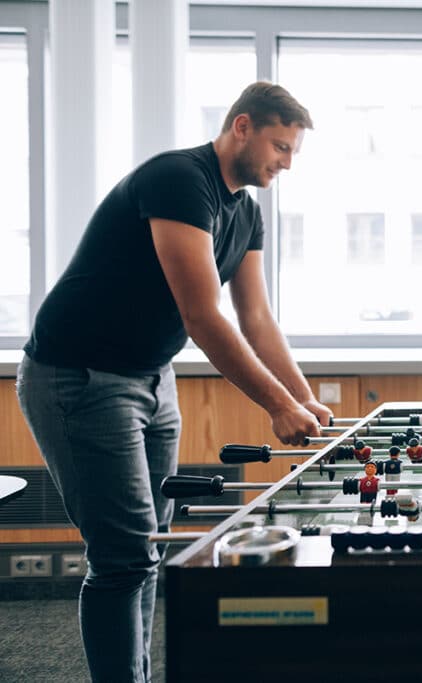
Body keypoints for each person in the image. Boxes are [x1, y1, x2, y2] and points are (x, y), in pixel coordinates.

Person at [16, 82, 331, 683]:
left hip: (150, 377)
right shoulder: (179, 179)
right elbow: (201, 313)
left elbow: (256, 318)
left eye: (293, 152)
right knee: (122, 558)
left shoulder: (246, 210)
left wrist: (302, 397)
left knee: (148, 553)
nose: (286, 163)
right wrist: (275, 407)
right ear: (242, 127)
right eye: (280, 146)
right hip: (79, 376)